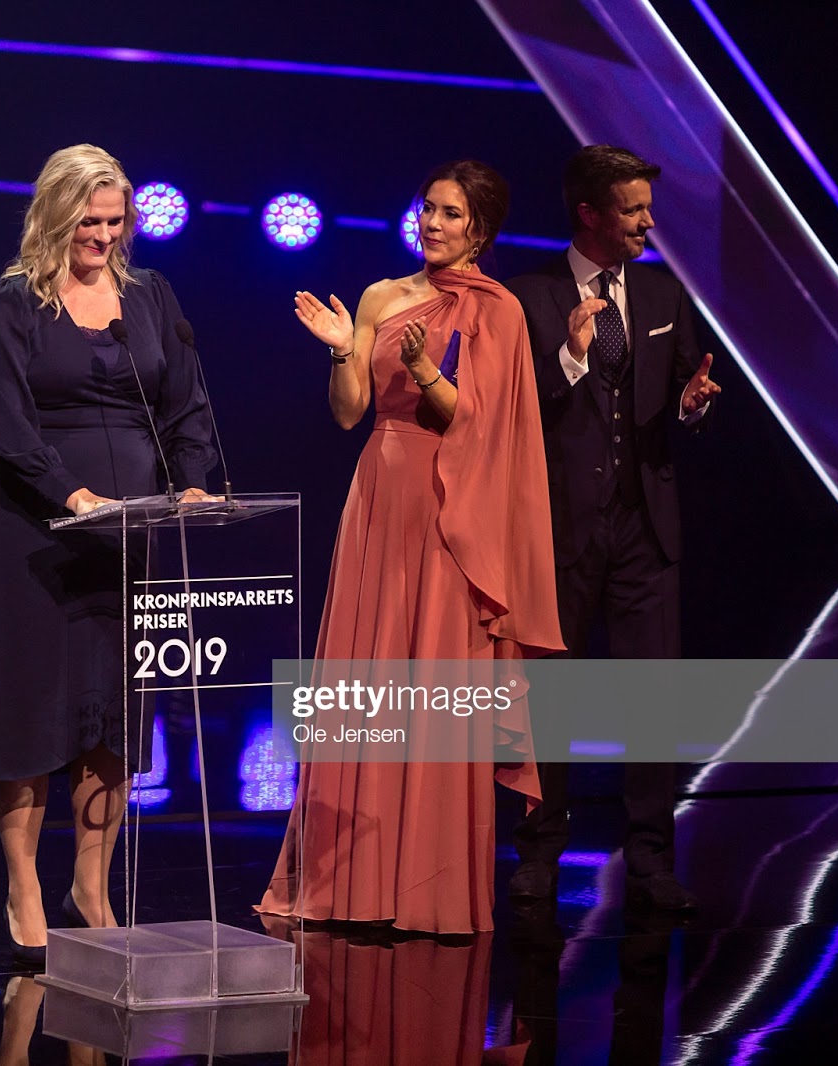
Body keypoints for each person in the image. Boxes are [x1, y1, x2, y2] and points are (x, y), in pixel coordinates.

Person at [258, 160, 564, 934]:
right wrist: (340, 350)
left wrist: (427, 370)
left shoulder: (498, 310)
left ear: (480, 230)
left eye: (451, 214)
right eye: (428, 208)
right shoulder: (380, 297)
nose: (432, 223)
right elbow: (349, 412)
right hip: (380, 493)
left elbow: (477, 421)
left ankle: (427, 890)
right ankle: (348, 885)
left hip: (451, 506)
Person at [0, 144, 217, 962]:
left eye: (115, 221)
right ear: (55, 216)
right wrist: (73, 493)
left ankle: (90, 885)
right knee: (29, 710)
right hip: (36, 534)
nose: (103, 235)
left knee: (112, 713)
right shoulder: (10, 303)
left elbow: (185, 404)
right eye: (88, 221)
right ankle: (24, 886)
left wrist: (192, 483)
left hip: (129, 538)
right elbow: (9, 426)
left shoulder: (151, 296)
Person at [504, 145, 719, 912]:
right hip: (559, 530)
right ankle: (539, 855)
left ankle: (652, 862)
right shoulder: (526, 296)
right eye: (633, 210)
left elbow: (687, 385)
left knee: (651, 701)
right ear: (590, 213)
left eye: (647, 209)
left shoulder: (662, 294)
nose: (648, 223)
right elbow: (512, 407)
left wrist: (693, 405)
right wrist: (569, 355)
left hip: (645, 529)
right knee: (548, 701)